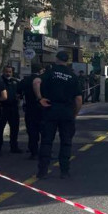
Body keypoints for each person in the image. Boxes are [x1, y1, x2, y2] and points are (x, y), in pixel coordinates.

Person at [34, 51, 83, 180]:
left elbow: (36, 82)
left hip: (50, 109)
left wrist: (40, 98)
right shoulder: (73, 76)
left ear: (56, 59)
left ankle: (43, 171)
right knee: (66, 142)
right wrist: (75, 113)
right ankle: (64, 171)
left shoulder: (50, 72)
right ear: (67, 60)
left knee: (46, 141)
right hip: (66, 111)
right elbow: (78, 99)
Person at [0, 65, 22, 155]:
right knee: (0, 128)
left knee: (15, 128)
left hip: (13, 107)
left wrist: (18, 97)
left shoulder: (15, 82)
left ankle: (14, 146)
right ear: (3, 72)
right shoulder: (0, 81)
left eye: (10, 72)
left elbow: (19, 92)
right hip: (3, 107)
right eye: (6, 71)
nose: (8, 73)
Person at [19, 63, 44, 159]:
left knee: (32, 131)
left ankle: (33, 151)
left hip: (29, 108)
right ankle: (45, 151)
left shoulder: (25, 80)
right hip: (41, 108)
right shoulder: (42, 80)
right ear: (40, 70)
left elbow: (19, 93)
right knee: (44, 131)